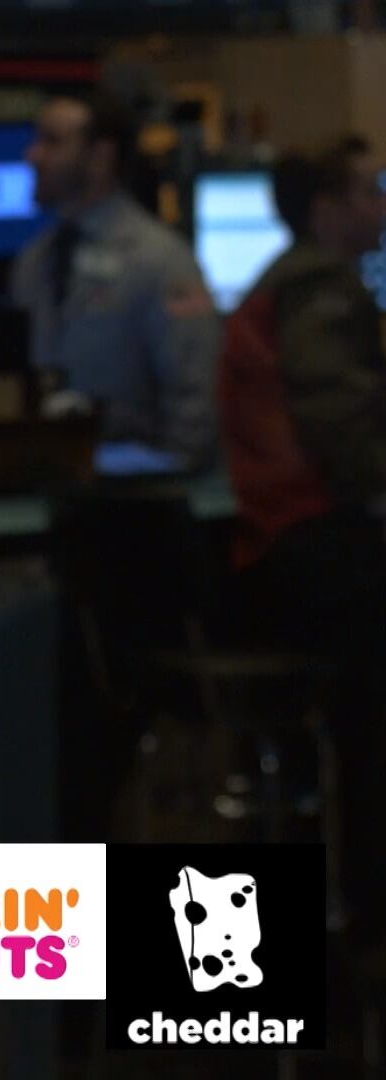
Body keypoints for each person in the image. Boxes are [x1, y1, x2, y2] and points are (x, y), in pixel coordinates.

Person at [218, 134, 386, 946]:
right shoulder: (320, 288)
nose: (380, 208)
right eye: (368, 192)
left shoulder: (285, 281)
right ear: (325, 210)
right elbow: (339, 425)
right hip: (314, 549)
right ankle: (368, 908)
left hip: (276, 552)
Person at [11, 88, 221, 467]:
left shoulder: (160, 261)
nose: (33, 156)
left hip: (141, 486)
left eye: (52, 142)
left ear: (100, 156)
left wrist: (171, 481)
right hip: (48, 476)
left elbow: (196, 399)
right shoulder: (34, 261)